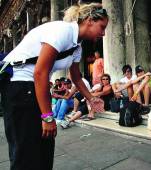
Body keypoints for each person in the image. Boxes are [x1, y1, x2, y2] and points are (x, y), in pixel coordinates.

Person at [1, 3, 108, 169]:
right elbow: (40, 73)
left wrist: (91, 98)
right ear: (89, 20)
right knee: (26, 151)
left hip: (33, 88)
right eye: (102, 27)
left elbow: (77, 78)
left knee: (45, 147)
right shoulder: (63, 31)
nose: (104, 33)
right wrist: (48, 116)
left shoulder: (77, 46)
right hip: (20, 87)